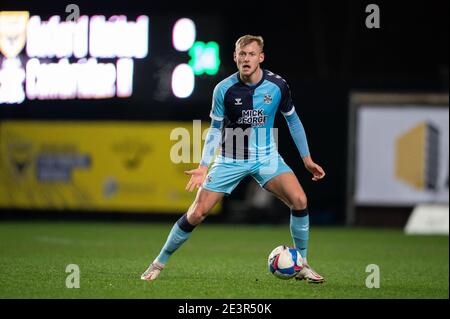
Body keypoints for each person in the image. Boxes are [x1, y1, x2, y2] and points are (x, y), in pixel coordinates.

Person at [141, 35, 326, 283]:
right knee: (197, 213)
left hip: (266, 156)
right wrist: (203, 166)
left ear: (261, 57)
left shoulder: (277, 85)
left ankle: (301, 264)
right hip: (231, 157)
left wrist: (306, 159)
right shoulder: (223, 89)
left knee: (300, 199)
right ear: (235, 57)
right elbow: (215, 129)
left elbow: (292, 119)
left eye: (251, 54)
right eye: (242, 54)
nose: (246, 59)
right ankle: (158, 263)